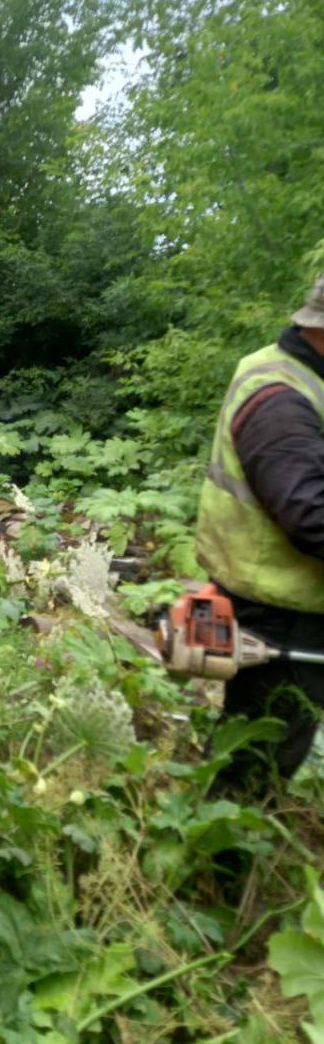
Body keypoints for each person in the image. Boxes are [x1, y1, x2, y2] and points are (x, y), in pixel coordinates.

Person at [196, 277, 324, 796]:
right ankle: (214, 869)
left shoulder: (293, 373)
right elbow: (312, 514)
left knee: (249, 741)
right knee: (256, 760)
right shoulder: (281, 399)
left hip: (275, 601)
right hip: (278, 614)